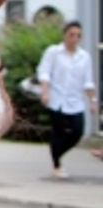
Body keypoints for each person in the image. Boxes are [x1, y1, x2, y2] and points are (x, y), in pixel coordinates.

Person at [37, 20, 97, 178]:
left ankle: (57, 153)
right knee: (58, 132)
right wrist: (45, 92)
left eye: (78, 35)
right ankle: (57, 164)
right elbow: (44, 73)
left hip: (75, 102)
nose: (75, 38)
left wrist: (93, 101)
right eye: (72, 35)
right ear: (65, 35)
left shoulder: (84, 57)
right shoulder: (54, 52)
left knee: (77, 131)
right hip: (56, 100)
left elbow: (88, 81)